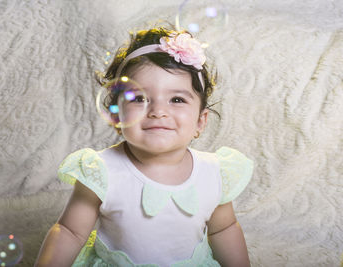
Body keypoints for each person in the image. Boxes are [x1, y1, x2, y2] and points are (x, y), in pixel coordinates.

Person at [35, 27, 254, 267]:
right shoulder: (101, 170)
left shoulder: (214, 172)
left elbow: (223, 229)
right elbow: (70, 231)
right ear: (117, 116)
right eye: (139, 98)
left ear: (200, 122)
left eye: (177, 100)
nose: (158, 111)